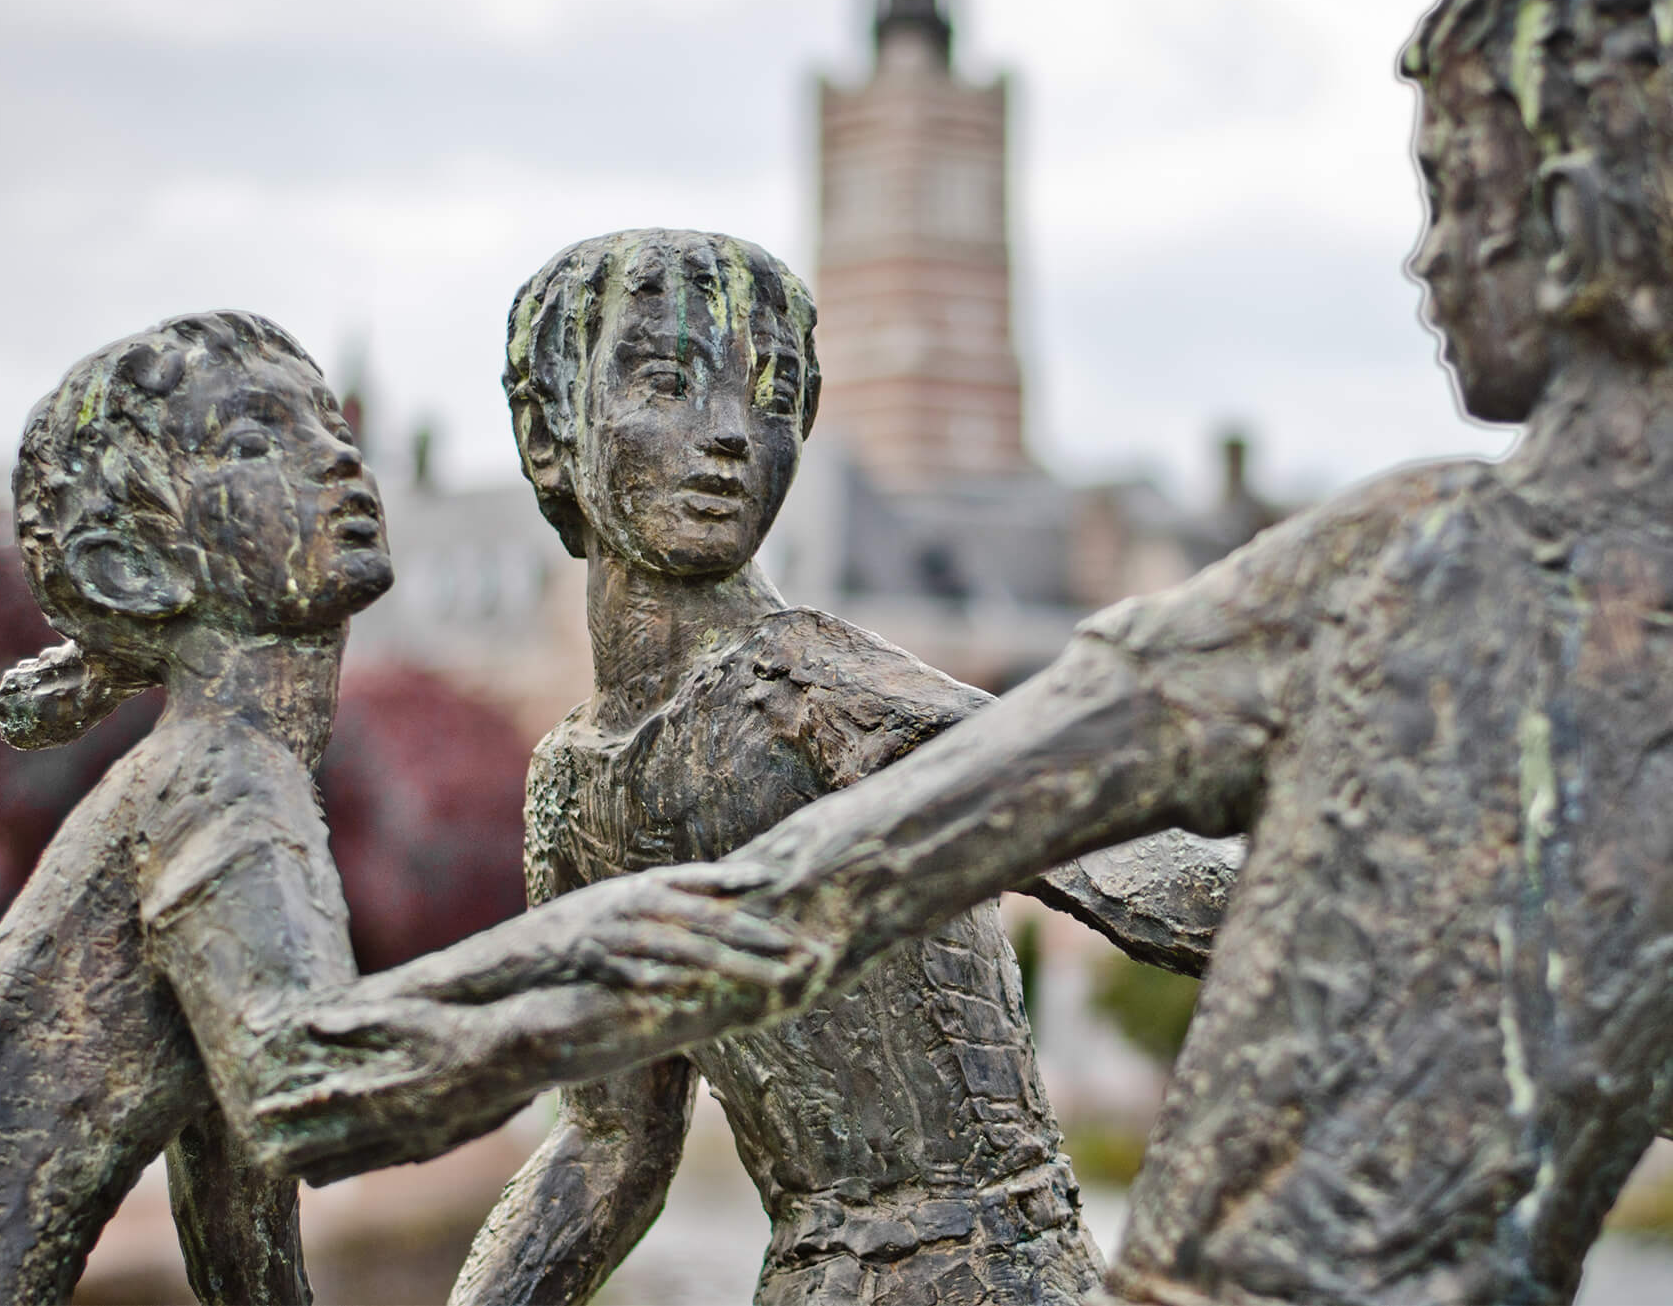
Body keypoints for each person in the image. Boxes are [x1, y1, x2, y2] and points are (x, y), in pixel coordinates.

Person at [635, 0, 1673, 1304]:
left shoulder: (1405, 558)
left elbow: (818, 886)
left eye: (1452, 196)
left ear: (1565, 224)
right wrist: (1589, 1031)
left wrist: (497, 1029)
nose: (1425, 257)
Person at [0, 312, 802, 1306]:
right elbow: (308, 1091)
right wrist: (640, 952)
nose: (333, 457)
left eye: (329, 422)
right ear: (127, 565)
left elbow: (236, 1216)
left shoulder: (225, 776)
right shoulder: (218, 780)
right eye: (251, 442)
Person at [451, 229, 1243, 1306]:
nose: (730, 431)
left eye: (773, 397)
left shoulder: (824, 693)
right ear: (549, 433)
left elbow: (1145, 870)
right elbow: (609, 1145)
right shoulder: (572, 787)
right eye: (669, 382)